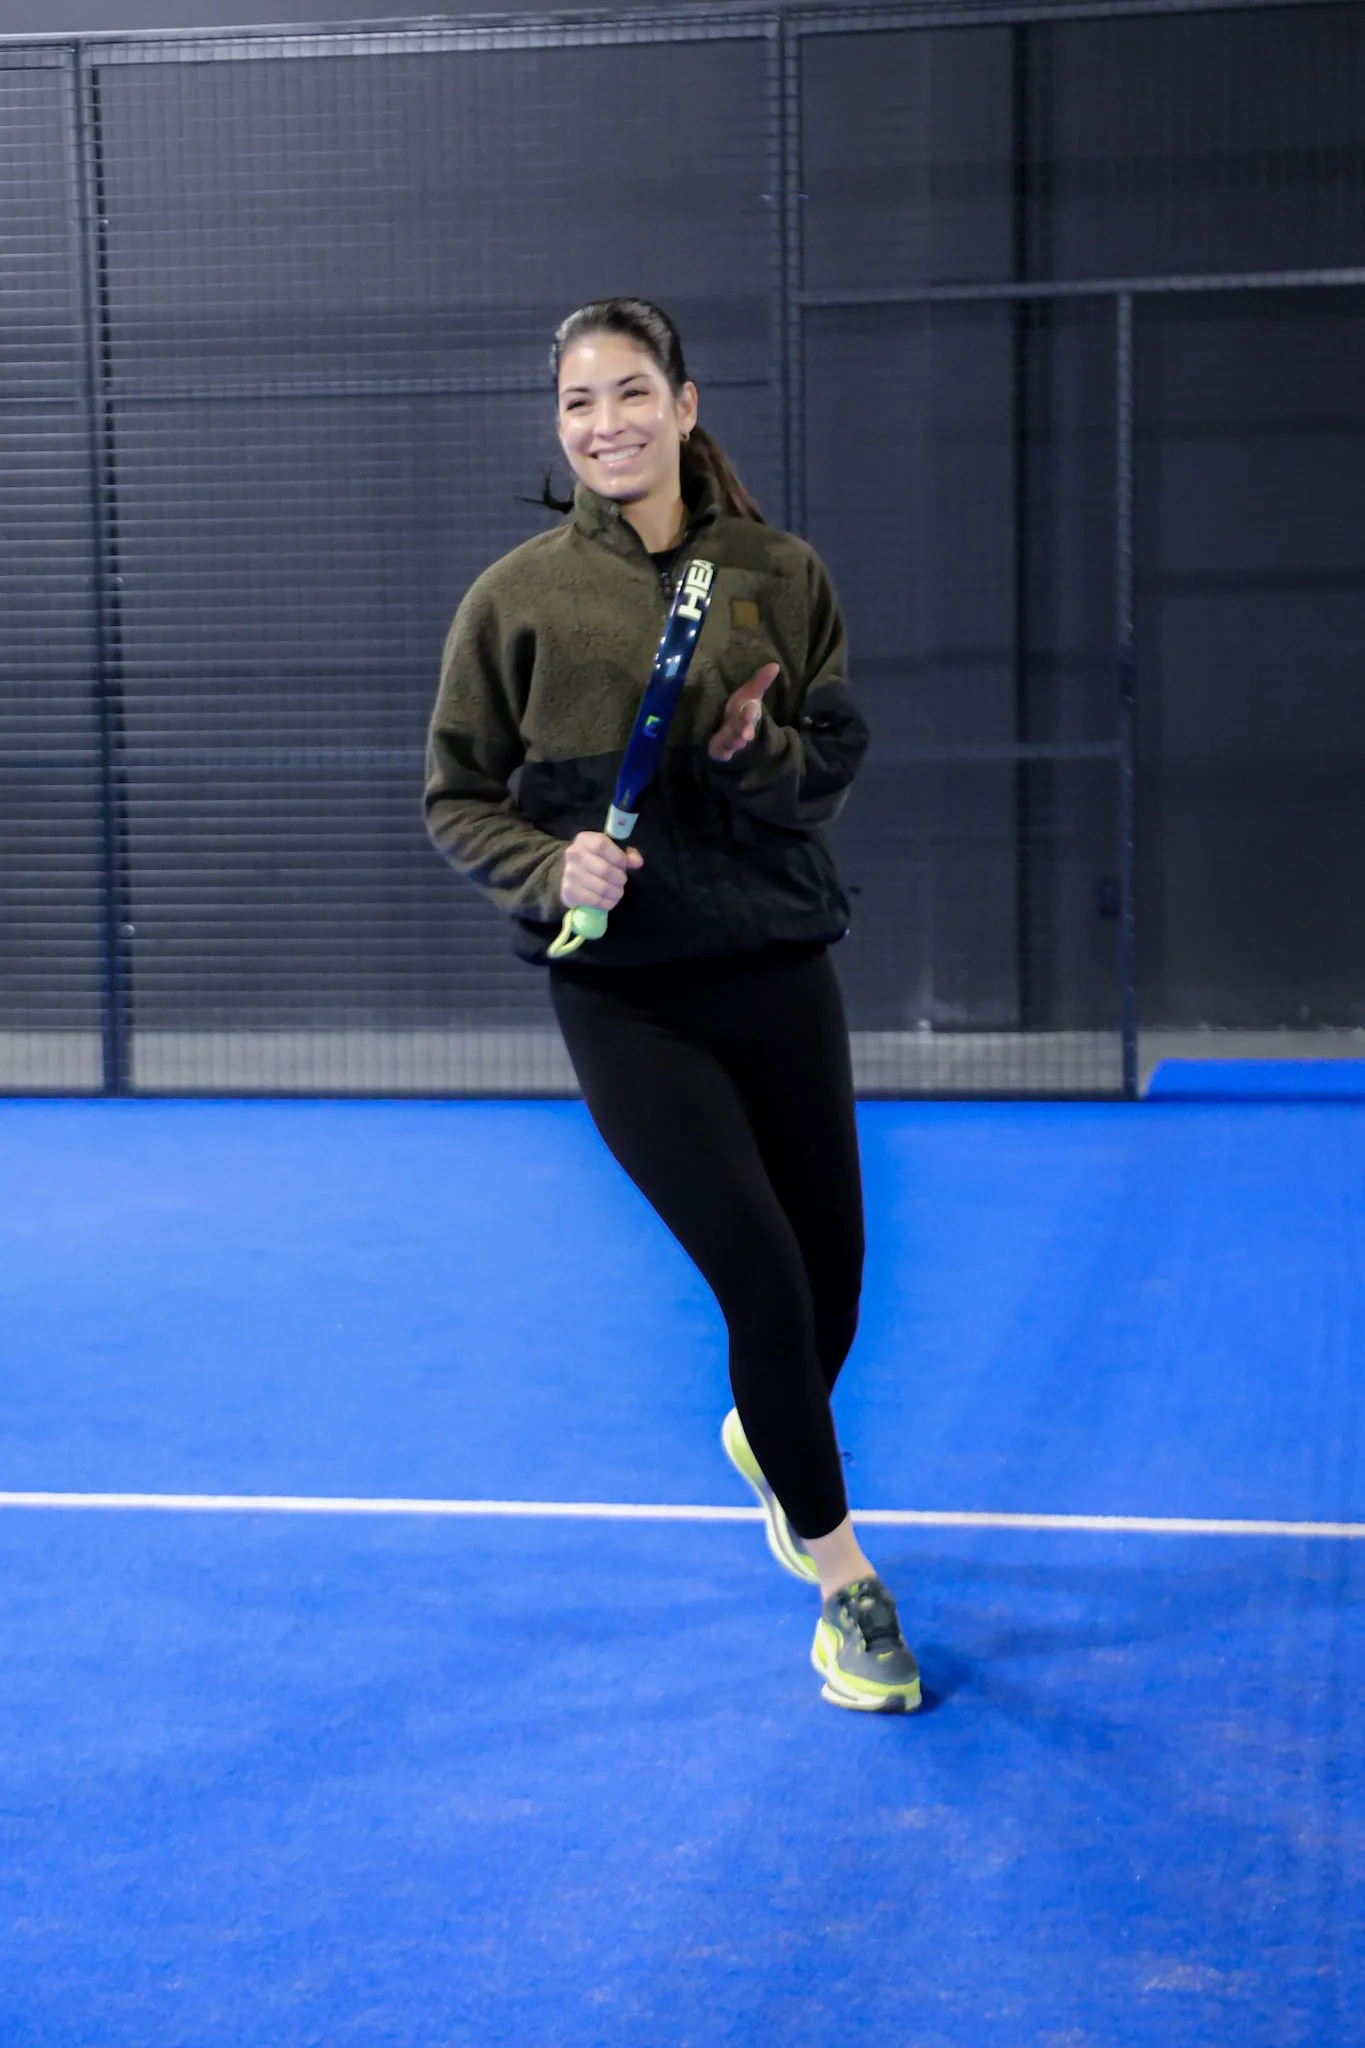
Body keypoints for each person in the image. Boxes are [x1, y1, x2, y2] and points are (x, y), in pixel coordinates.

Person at [425, 297, 920, 1714]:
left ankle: (772, 1439)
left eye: (632, 395)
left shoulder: (781, 571)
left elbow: (832, 760)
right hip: (628, 997)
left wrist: (762, 757)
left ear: (686, 406)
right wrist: (546, 858)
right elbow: (455, 795)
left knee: (835, 1283)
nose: (606, 426)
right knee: (760, 1276)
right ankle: (846, 1587)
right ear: (561, 425)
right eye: (580, 404)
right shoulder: (515, 601)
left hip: (778, 964)